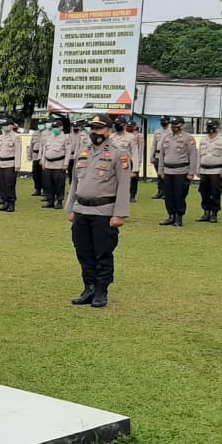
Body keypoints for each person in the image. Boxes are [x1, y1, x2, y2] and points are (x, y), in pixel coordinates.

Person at [67, 115, 130, 308]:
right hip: (81, 210)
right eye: (92, 129)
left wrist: (119, 214)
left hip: (103, 212)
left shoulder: (119, 154)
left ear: (109, 131)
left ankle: (102, 291)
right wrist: (70, 208)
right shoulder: (83, 152)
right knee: (83, 252)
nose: (94, 132)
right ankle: (89, 288)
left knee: (102, 253)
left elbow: (123, 186)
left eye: (99, 129)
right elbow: (74, 183)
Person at [158, 116, 197, 227]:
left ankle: (179, 217)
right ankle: (171, 216)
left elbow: (193, 155)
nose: (174, 127)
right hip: (168, 171)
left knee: (180, 195)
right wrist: (161, 170)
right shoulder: (166, 138)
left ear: (182, 126)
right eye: (173, 125)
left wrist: (191, 172)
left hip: (181, 171)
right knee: (168, 196)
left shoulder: (188, 138)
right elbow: (162, 155)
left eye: (176, 125)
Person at [195, 120, 222, 223]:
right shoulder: (203, 139)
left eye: (212, 126)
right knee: (203, 192)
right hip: (204, 170)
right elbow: (199, 155)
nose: (210, 128)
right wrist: (198, 169)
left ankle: (214, 213)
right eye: (208, 126)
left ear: (217, 127)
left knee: (216, 192)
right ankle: (206, 212)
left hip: (216, 170)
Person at [41, 119, 72, 209]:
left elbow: (68, 152)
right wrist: (43, 162)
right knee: (48, 184)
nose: (55, 129)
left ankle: (59, 201)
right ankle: (50, 200)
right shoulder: (49, 137)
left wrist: (65, 164)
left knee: (59, 184)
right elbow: (44, 151)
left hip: (59, 164)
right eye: (53, 127)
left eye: (56, 127)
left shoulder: (66, 138)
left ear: (61, 128)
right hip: (48, 164)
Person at [0, 120, 23, 212]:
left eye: (6, 126)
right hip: (1, 163)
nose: (4, 128)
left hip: (10, 163)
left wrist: (17, 165)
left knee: (10, 184)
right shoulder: (1, 137)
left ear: (10, 126)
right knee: (2, 184)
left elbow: (18, 152)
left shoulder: (16, 137)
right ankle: (5, 202)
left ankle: (11, 203)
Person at [122, 120, 143, 202]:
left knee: (134, 178)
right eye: (128, 126)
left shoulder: (139, 136)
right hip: (124, 159)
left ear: (134, 127)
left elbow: (140, 149)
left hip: (134, 158)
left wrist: (139, 161)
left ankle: (132, 196)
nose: (129, 128)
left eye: (131, 126)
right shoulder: (124, 135)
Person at [151, 116, 171, 200]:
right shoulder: (157, 131)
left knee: (166, 175)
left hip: (167, 155)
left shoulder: (171, 131)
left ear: (168, 121)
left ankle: (167, 193)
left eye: (164, 121)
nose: (162, 122)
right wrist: (152, 156)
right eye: (161, 121)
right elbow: (154, 145)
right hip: (158, 155)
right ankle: (160, 192)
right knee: (159, 175)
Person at [28, 123, 45, 198]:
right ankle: (37, 189)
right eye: (39, 124)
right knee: (35, 173)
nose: (40, 125)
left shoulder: (47, 133)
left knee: (44, 174)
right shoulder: (34, 133)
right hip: (35, 155)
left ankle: (45, 190)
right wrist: (29, 155)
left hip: (43, 155)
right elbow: (31, 145)